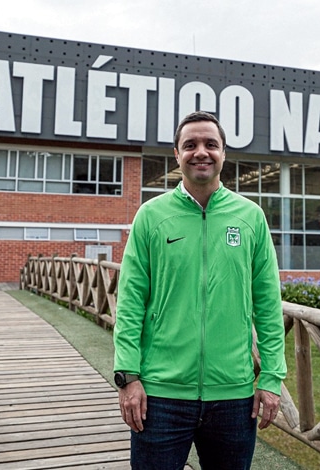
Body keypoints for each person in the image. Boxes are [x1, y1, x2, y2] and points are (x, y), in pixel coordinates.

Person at [113, 111, 287, 469]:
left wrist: (271, 377)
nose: (201, 152)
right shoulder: (151, 216)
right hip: (160, 395)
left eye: (211, 144)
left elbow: (268, 305)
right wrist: (128, 377)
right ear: (176, 155)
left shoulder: (250, 217)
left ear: (224, 153)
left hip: (234, 397)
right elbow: (130, 301)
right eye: (190, 145)